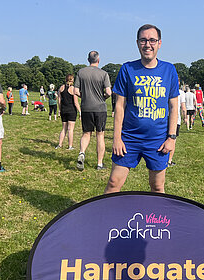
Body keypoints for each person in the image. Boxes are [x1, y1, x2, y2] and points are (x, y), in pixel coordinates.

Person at [104, 23, 179, 193]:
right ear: (137, 43)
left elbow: (174, 107)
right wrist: (117, 138)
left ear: (159, 43)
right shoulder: (127, 69)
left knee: (158, 186)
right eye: (143, 40)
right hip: (130, 137)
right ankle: (105, 218)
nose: (148, 44)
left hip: (158, 140)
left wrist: (171, 138)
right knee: (114, 182)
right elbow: (120, 106)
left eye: (152, 40)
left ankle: (157, 219)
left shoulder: (169, 70)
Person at [74, 50, 112, 171]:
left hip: (86, 107)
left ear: (88, 60)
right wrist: (103, 97)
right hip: (100, 108)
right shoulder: (104, 74)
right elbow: (108, 92)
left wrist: (84, 96)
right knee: (100, 135)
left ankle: (82, 152)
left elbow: (75, 91)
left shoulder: (81, 72)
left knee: (86, 133)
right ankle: (99, 163)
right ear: (98, 60)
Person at [57, 74, 81, 150]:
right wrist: (80, 112)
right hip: (71, 111)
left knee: (64, 128)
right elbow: (76, 102)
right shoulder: (73, 89)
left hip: (64, 110)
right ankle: (70, 146)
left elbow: (59, 101)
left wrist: (60, 110)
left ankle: (59, 145)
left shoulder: (61, 88)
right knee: (70, 129)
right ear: (72, 80)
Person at [168, 79, 186, 167]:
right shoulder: (181, 93)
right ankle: (169, 160)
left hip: (164, 118)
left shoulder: (165, 89)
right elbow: (183, 107)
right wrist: (185, 117)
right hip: (175, 119)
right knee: (172, 140)